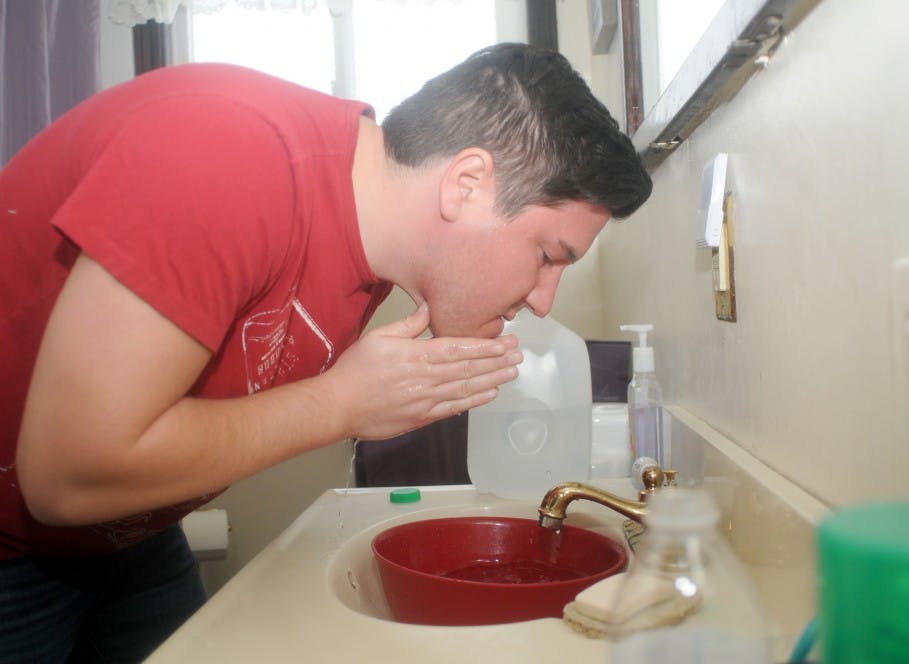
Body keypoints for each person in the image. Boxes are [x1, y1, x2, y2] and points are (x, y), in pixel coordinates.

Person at [0, 42, 651, 661]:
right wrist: (340, 404)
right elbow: (67, 476)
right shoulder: (226, 153)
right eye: (547, 256)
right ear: (468, 183)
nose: (544, 300)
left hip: (130, 535)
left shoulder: (370, 250)